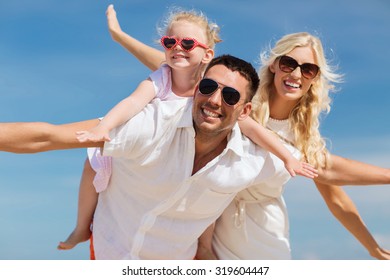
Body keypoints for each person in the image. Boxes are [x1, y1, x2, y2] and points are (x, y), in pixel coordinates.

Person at [104, 12, 390, 260]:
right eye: (289, 63)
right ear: (276, 65)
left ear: (315, 79)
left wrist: (372, 247)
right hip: (209, 224)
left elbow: (333, 188)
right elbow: (182, 67)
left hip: (263, 233)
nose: (297, 74)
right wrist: (119, 37)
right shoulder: (239, 101)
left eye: (309, 69)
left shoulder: (304, 138)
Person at [57, 5, 316, 251]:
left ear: (207, 54)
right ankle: (82, 227)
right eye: (170, 42)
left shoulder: (212, 87)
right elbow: (134, 100)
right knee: (92, 162)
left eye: (188, 44)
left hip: (195, 166)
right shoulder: (165, 77)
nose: (177, 48)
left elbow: (253, 128)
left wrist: (286, 158)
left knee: (208, 195)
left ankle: (203, 248)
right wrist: (106, 127)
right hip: (153, 151)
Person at [1, 54, 291, 259]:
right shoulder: (151, 125)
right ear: (197, 88)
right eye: (208, 87)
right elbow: (47, 136)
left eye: (229, 96)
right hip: (108, 253)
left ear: (245, 111)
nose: (214, 100)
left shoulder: (254, 161)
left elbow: (321, 167)